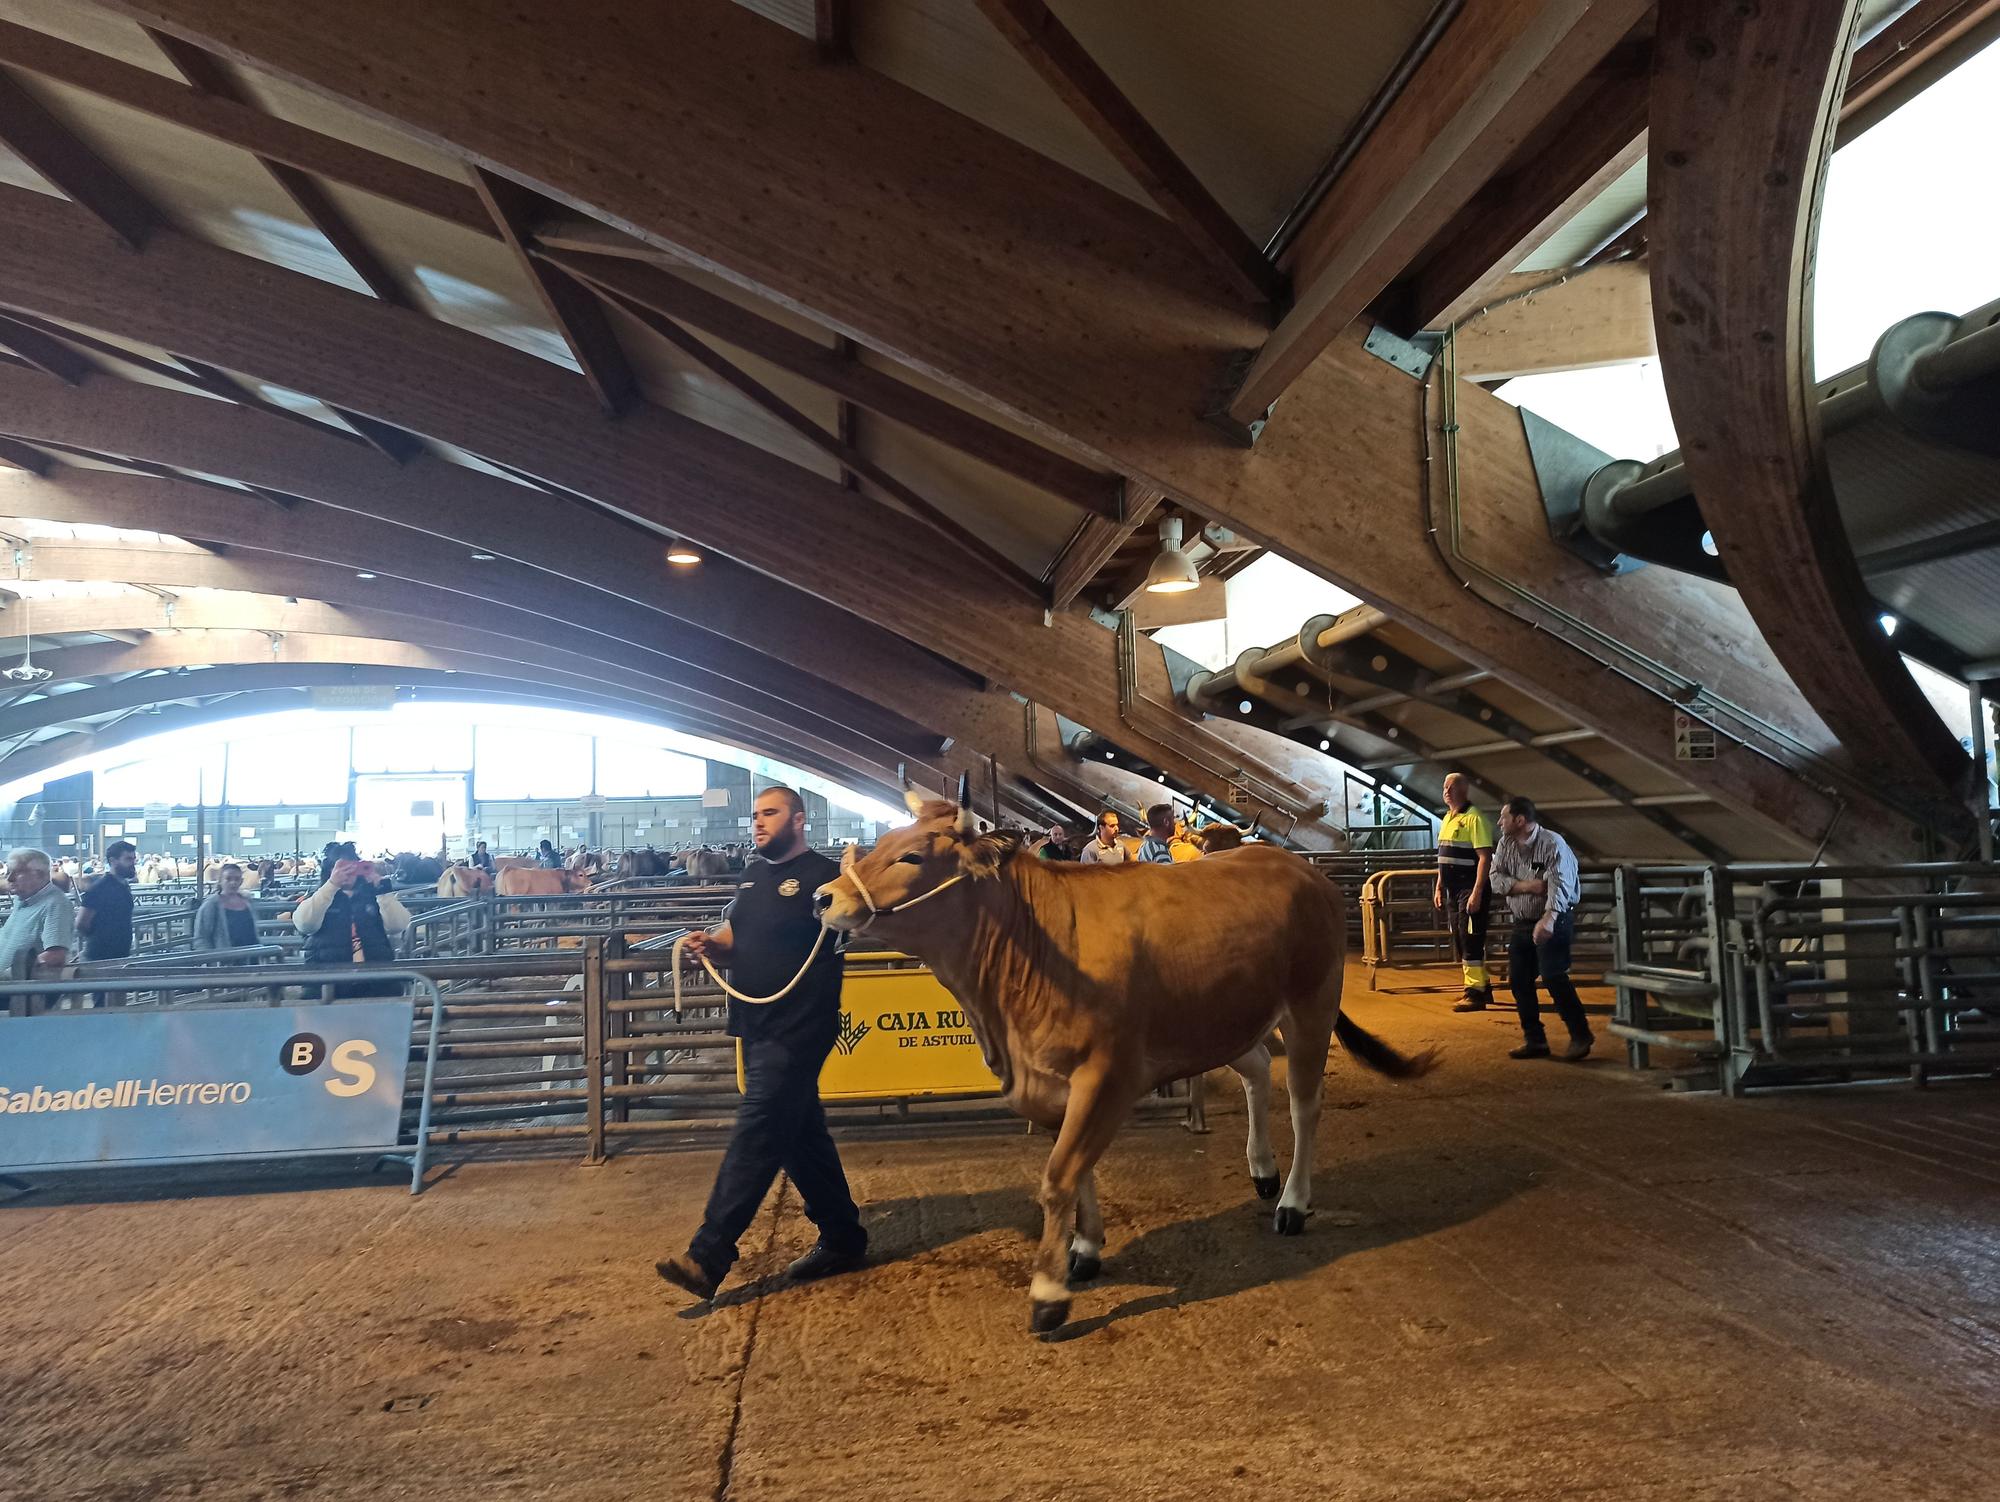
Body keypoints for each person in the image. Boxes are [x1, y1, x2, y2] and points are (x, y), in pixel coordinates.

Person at [656, 785, 866, 1301]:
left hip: (799, 1024)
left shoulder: (826, 878)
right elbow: (736, 938)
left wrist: (860, 883)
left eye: (769, 813)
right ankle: (843, 1237)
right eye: (755, 815)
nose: (758, 822)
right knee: (797, 1133)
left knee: (758, 1128)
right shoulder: (751, 877)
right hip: (754, 1021)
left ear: (798, 820)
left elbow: (858, 925)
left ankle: (709, 1256)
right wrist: (709, 943)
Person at [1490, 796, 1593, 1061]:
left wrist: (1549, 917)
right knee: (1519, 981)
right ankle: (1534, 1040)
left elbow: (1561, 882)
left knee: (1553, 976)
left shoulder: (1552, 844)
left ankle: (1580, 1035)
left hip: (1553, 919)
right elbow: (1495, 878)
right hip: (1522, 921)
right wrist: (1528, 886)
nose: (1500, 822)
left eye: (1504, 817)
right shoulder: (1505, 844)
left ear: (1520, 820)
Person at [293, 854, 412, 998]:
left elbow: (398, 925)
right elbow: (305, 925)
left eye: (353, 868)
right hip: (325, 984)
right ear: (329, 871)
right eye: (341, 868)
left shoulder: (375, 896)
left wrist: (382, 891)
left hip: (377, 982)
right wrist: (331, 885)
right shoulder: (318, 898)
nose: (348, 873)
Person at [1433, 772, 1497, 1012]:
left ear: (1464, 790)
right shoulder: (1447, 818)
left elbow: (1484, 858)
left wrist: (1477, 892)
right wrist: (1439, 886)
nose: (1446, 791)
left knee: (1470, 939)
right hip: (1453, 889)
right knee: (1462, 939)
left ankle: (1474, 993)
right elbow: (1443, 857)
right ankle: (1482, 986)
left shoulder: (1475, 818)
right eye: (1444, 786)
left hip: (1469, 887)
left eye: (1451, 786)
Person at [0, 847, 77, 1012]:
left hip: (21, 993)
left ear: (40, 874)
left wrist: (8, 974)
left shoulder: (55, 904)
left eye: (17, 872)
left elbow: (55, 955)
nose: (10, 878)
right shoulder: (23, 901)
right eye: (8, 871)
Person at [77, 839, 137, 965]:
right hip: (100, 957)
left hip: (119, 954)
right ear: (113, 861)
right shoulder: (100, 888)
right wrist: (100, 937)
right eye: (128, 859)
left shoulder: (123, 885)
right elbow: (81, 922)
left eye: (133, 859)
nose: (133, 863)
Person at [194, 863, 261, 953]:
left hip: (251, 957)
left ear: (241, 881)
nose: (233, 883)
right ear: (221, 881)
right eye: (228, 879)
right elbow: (201, 936)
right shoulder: (211, 904)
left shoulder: (248, 901)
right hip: (224, 960)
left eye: (237, 879)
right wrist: (209, 960)